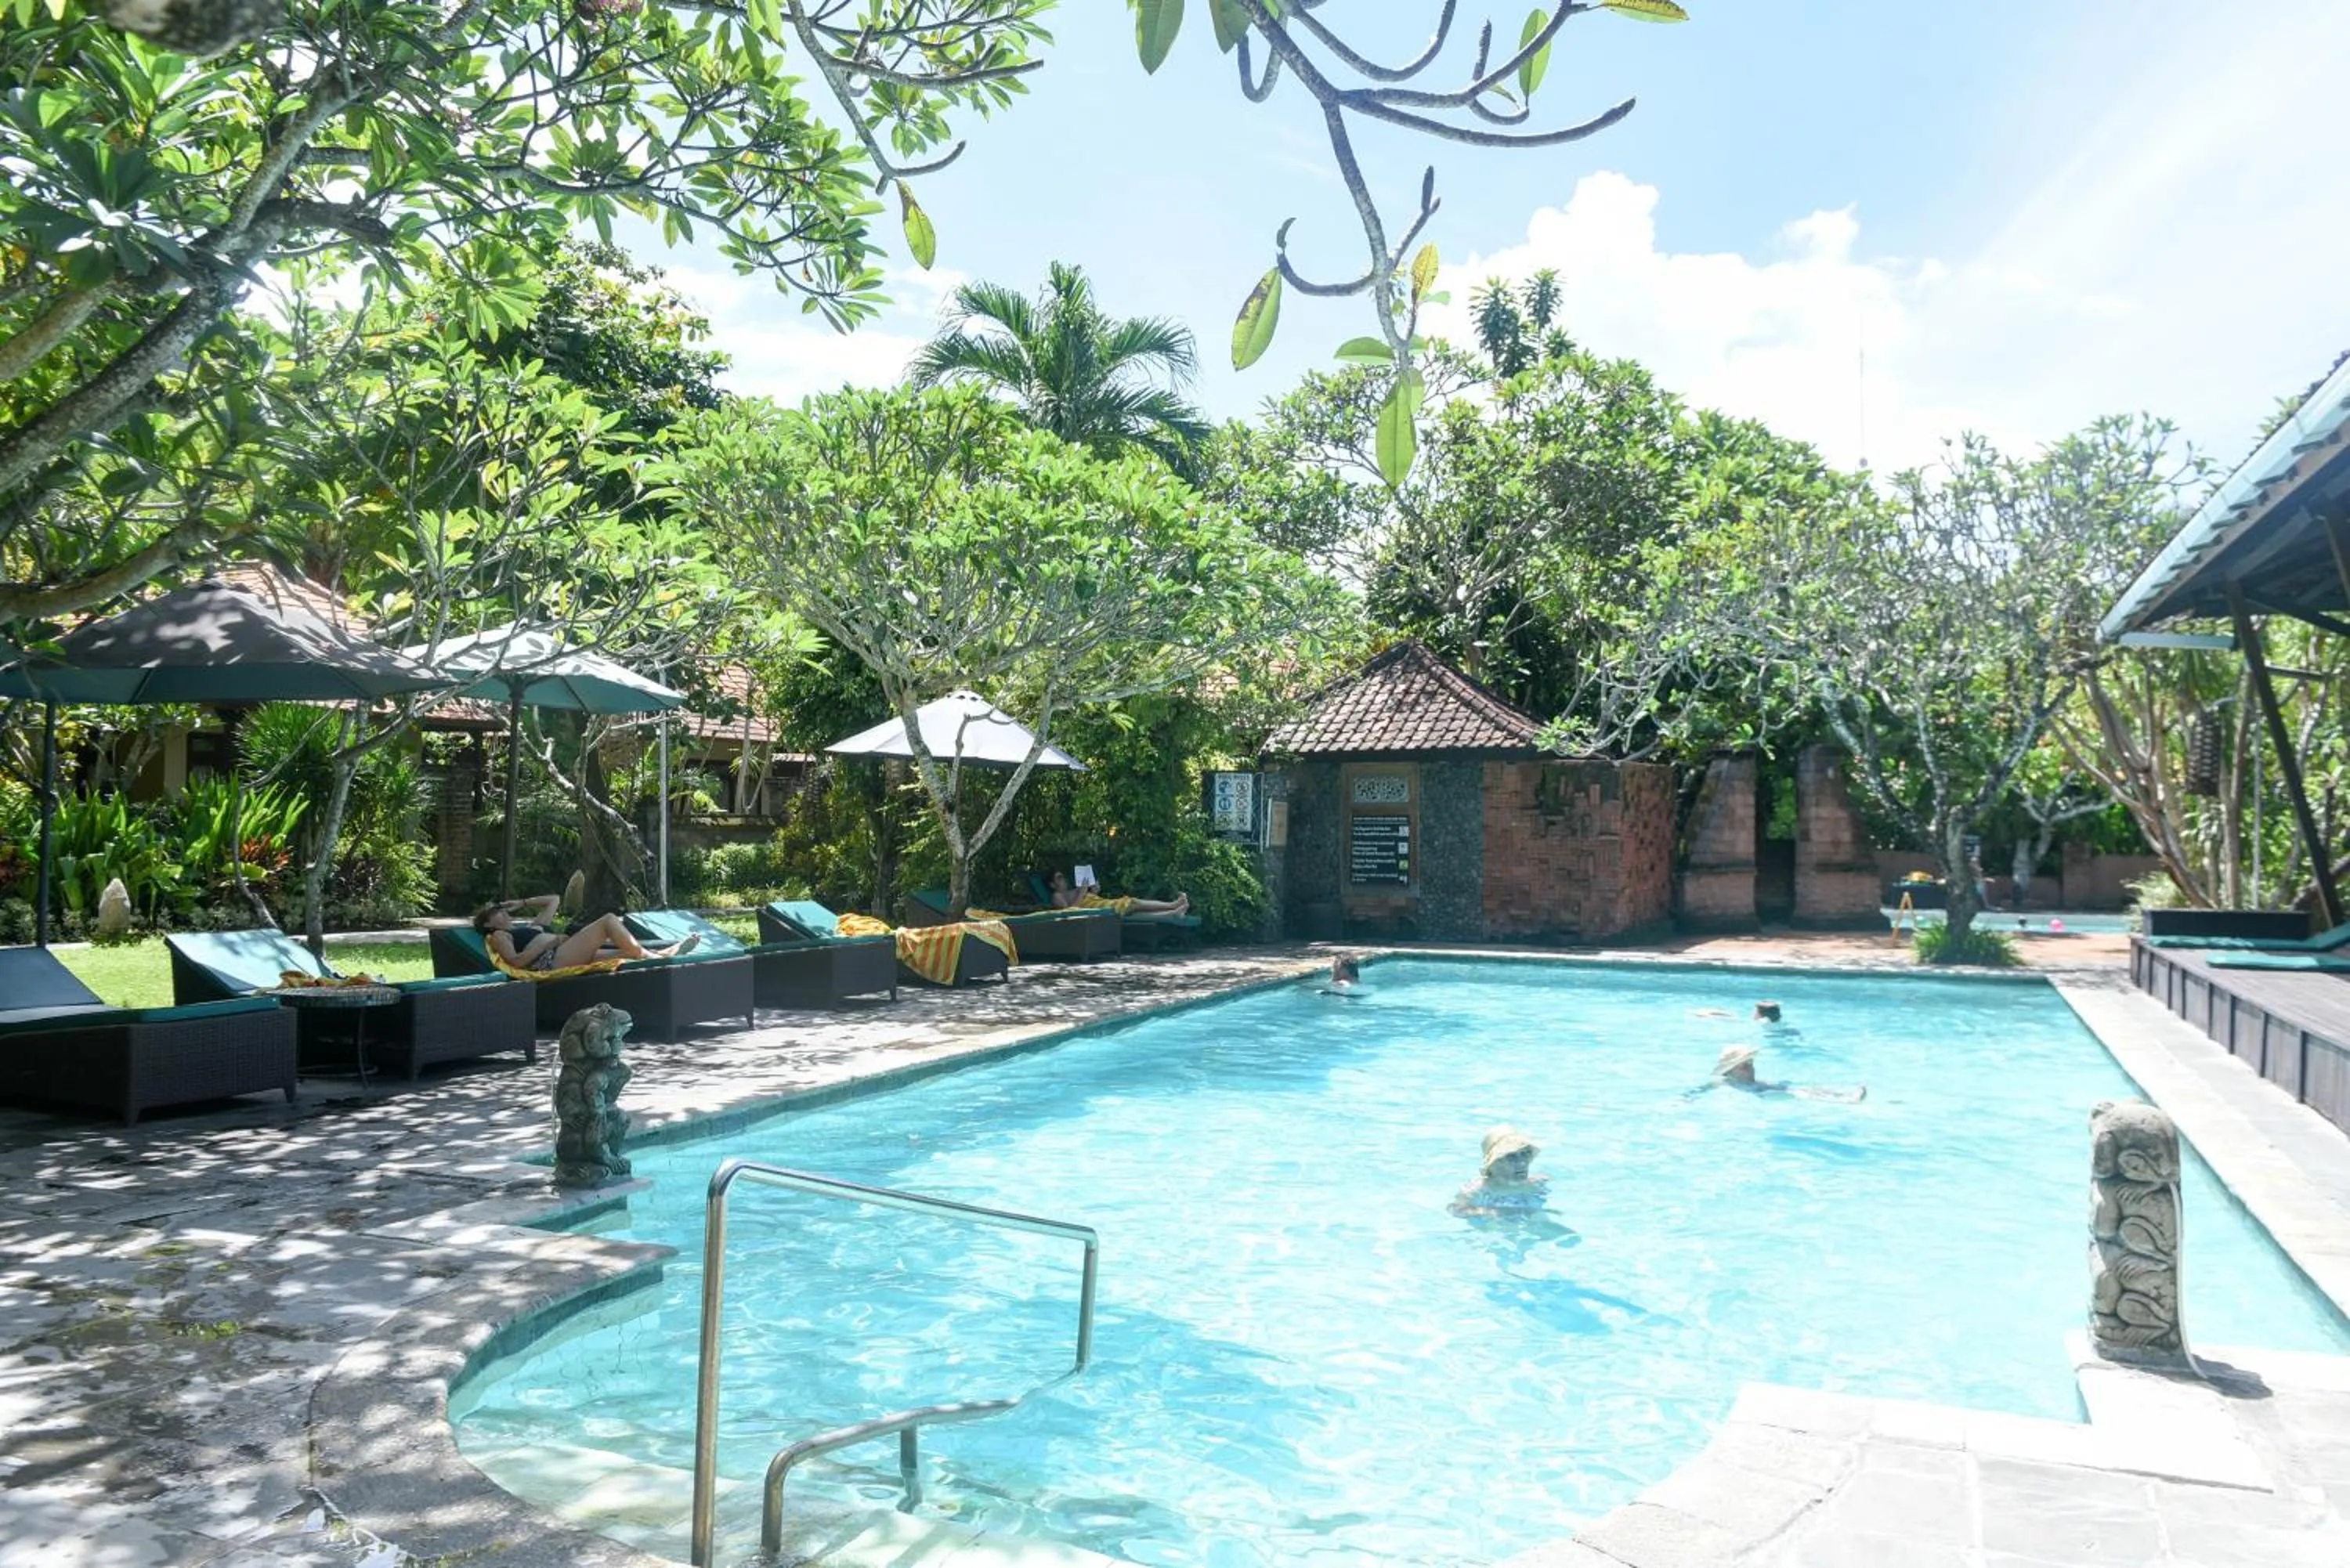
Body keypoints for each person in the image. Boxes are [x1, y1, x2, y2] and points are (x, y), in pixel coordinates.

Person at [472, 893, 696, 972]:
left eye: (501, 908)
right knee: (608, 921)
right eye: (495, 912)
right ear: (487, 925)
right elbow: (515, 962)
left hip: (564, 951)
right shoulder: (499, 935)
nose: (502, 912)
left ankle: (665, 955)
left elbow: (554, 900)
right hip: (553, 959)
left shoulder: (531, 928)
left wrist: (522, 902)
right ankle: (662, 955)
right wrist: (547, 944)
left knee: (625, 954)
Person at [1696, 1045, 1864, 1102]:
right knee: (1794, 1093)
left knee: (1790, 1087)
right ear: (1730, 1070)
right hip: (1762, 1096)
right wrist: (1683, 1100)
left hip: (1760, 1090)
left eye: (1751, 1064)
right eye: (1745, 1066)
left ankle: (1842, 1094)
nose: (1751, 1069)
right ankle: (1845, 1099)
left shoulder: (1753, 1081)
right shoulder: (1724, 1083)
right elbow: (1701, 1090)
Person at [1450, 1126, 1552, 1216]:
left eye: (1525, 1154)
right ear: (1493, 1164)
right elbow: (1456, 1210)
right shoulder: (1477, 1190)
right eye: (1511, 1157)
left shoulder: (1538, 1183)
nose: (1522, 1163)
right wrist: (1489, 1212)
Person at [1048, 869, 1190, 919]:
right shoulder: (1057, 896)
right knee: (1132, 902)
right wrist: (1083, 891)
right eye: (1059, 878)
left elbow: (1087, 898)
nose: (1064, 880)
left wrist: (1094, 891)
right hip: (1097, 909)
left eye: (1063, 877)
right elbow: (1069, 912)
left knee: (1134, 914)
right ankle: (1173, 905)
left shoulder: (1072, 890)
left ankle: (1173, 913)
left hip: (1099, 903)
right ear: (1052, 885)